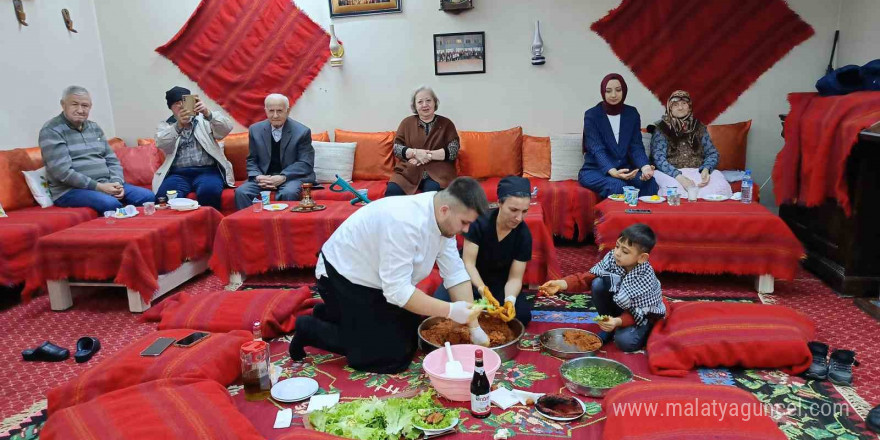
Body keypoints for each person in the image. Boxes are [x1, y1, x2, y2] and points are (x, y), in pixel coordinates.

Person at [290, 177, 491, 373]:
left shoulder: (442, 217)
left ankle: (333, 316)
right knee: (392, 355)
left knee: (411, 331)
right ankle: (310, 329)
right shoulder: (405, 223)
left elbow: (455, 273)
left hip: (378, 281)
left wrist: (474, 326)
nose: (466, 230)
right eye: (464, 222)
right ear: (445, 210)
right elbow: (398, 292)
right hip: (341, 278)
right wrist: (450, 310)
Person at [539, 224, 666, 352]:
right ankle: (609, 325)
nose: (617, 253)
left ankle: (643, 330)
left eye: (625, 251)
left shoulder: (644, 278)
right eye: (617, 246)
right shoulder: (612, 258)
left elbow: (640, 312)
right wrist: (561, 283)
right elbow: (589, 277)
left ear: (642, 258)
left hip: (642, 316)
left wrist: (618, 322)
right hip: (622, 305)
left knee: (625, 342)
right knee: (598, 283)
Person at [434, 176, 534, 326]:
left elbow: (515, 278)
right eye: (513, 210)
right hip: (469, 279)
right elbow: (468, 264)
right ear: (499, 203)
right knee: (441, 307)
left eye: (524, 211)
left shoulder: (524, 235)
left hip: (499, 283)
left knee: (522, 315)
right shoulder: (480, 222)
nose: (519, 218)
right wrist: (482, 290)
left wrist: (510, 300)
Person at [40, 86, 154, 213]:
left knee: (148, 197)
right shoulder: (51, 130)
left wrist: (117, 183)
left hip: (106, 184)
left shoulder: (94, 128)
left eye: (85, 106)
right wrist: (99, 187)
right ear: (63, 104)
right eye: (74, 104)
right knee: (110, 204)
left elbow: (112, 160)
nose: (80, 110)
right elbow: (63, 172)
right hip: (70, 191)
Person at [154, 86, 236, 210]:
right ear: (171, 108)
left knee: (209, 192)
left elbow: (226, 128)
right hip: (178, 174)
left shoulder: (205, 119)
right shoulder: (166, 126)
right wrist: (178, 126)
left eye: (184, 102)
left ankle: (210, 226)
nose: (181, 106)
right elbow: (161, 143)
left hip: (208, 171)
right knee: (164, 196)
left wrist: (208, 113)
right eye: (177, 103)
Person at [578, 74, 658, 198]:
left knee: (650, 183)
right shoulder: (592, 115)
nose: (614, 95)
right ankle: (615, 218)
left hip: (625, 169)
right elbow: (597, 149)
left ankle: (643, 217)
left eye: (618, 90)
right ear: (603, 92)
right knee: (617, 186)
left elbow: (635, 146)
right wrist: (613, 172)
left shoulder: (632, 114)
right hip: (596, 170)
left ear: (624, 91)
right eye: (608, 91)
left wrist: (645, 167)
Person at [234, 94, 315, 210]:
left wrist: (282, 177)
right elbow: (252, 159)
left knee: (288, 192)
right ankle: (250, 226)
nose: (275, 115)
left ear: (288, 111)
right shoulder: (255, 130)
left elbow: (305, 163)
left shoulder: (302, 132)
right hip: (264, 177)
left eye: (279, 111)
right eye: (271, 111)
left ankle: (282, 226)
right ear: (265, 111)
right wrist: (258, 177)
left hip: (291, 177)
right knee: (241, 192)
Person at [649, 90, 732, 198]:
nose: (680, 108)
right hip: (670, 173)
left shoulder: (698, 127)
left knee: (720, 187)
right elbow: (658, 159)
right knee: (675, 191)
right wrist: (680, 178)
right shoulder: (662, 128)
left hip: (697, 171)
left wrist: (706, 169)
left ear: (689, 106)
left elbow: (712, 153)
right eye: (676, 104)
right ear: (670, 107)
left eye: (684, 103)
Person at [385, 86, 460, 197]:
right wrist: (416, 153)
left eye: (428, 100)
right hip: (409, 170)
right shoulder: (406, 123)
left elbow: (453, 151)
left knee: (431, 194)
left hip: (439, 171)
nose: (425, 104)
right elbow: (397, 149)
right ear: (415, 106)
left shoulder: (446, 123)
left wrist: (424, 155)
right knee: (392, 191)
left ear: (435, 103)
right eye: (420, 102)